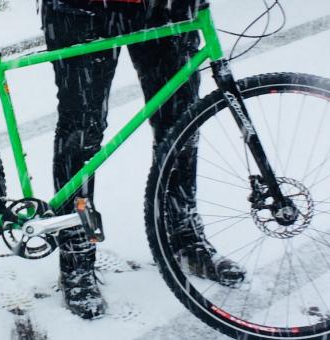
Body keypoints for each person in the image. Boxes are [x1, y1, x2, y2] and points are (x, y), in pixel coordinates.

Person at [41, 0, 246, 319]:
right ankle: (76, 252)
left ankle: (183, 236)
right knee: (81, 131)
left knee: (181, 125)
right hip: (82, 7)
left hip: (164, 5)